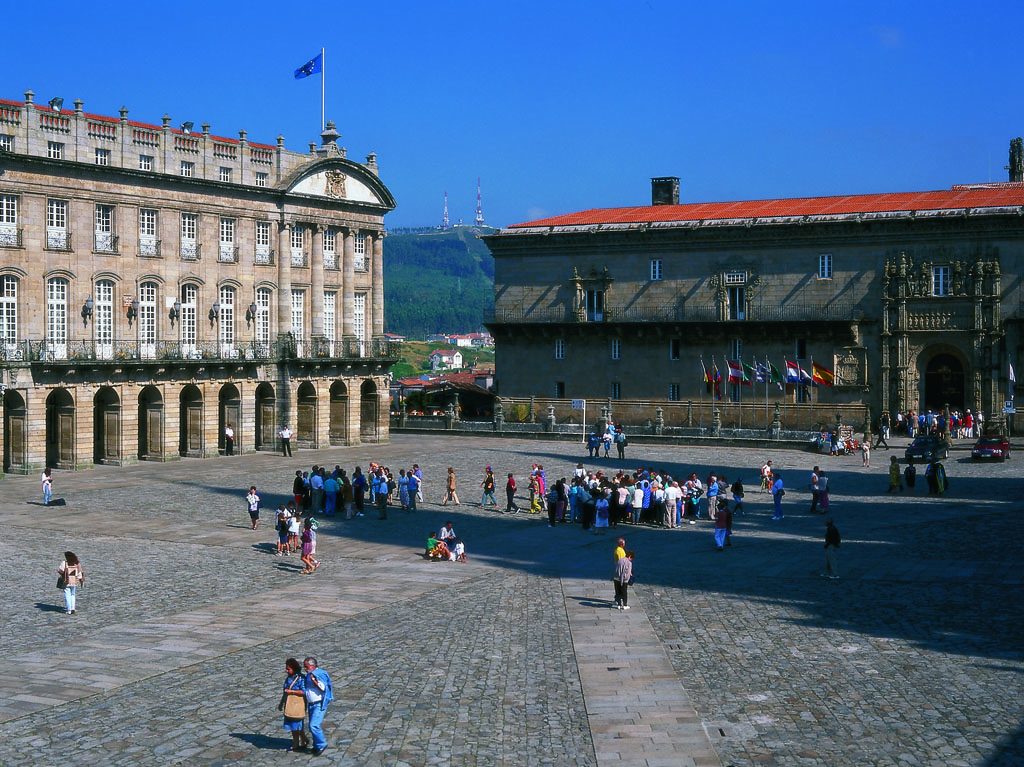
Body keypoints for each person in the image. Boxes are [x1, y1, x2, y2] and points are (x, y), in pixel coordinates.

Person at [302, 657, 333, 756]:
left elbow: (323, 687)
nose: (305, 668)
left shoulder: (318, 674)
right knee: (312, 726)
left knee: (314, 725)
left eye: (306, 666)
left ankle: (322, 744)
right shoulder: (309, 674)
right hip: (311, 704)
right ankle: (316, 745)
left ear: (312, 665)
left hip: (318, 704)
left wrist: (315, 681)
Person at [278, 658, 309, 752]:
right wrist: (281, 703)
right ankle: (303, 740)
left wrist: (291, 691)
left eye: (288, 669)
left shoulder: (300, 678)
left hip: (298, 704)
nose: (286, 671)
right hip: (289, 704)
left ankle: (296, 743)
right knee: (293, 725)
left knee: (297, 724)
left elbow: (304, 691)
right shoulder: (288, 678)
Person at [57, 551, 84, 615]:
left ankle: (68, 610)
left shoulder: (64, 563)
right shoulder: (77, 564)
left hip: (66, 581)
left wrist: (63, 575)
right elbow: (80, 573)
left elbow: (60, 570)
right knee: (73, 595)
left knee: (67, 595)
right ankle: (73, 608)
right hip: (74, 582)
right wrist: (80, 580)